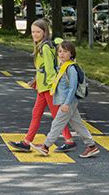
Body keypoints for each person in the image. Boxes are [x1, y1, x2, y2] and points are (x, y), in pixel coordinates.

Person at [9, 18, 77, 152]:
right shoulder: (41, 45)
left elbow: (50, 69)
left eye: (38, 32)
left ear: (44, 32)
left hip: (48, 88)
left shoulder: (45, 47)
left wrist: (54, 87)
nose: (34, 34)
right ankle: (27, 142)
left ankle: (69, 141)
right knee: (36, 113)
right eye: (33, 31)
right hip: (42, 87)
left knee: (57, 115)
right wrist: (35, 80)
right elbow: (42, 68)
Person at [29, 40, 99, 158]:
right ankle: (91, 146)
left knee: (57, 123)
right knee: (78, 125)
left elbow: (72, 87)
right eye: (60, 51)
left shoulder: (71, 68)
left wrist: (66, 103)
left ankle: (45, 146)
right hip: (66, 101)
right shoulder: (62, 66)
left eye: (65, 52)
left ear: (71, 54)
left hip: (68, 102)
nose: (61, 54)